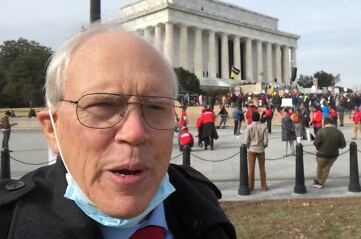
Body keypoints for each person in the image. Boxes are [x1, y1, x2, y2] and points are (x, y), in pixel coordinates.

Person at [0, 24, 236, 238]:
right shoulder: (8, 224)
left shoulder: (202, 200)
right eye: (102, 105)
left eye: (155, 106)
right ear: (52, 129)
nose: (134, 133)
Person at [312, 117, 346, 188]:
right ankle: (321, 182)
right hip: (333, 155)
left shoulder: (321, 131)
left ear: (325, 123)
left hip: (321, 154)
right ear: (333, 123)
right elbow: (343, 145)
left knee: (320, 167)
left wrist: (318, 147)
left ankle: (319, 181)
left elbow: (315, 143)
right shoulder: (339, 132)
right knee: (327, 169)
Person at [244, 111, 269, 191]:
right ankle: (264, 186)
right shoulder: (263, 127)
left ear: (252, 118)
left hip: (251, 149)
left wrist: (248, 146)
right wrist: (263, 146)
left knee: (251, 169)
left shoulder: (249, 127)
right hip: (261, 149)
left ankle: (251, 186)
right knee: (262, 168)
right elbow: (265, 141)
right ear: (259, 118)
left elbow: (246, 141)